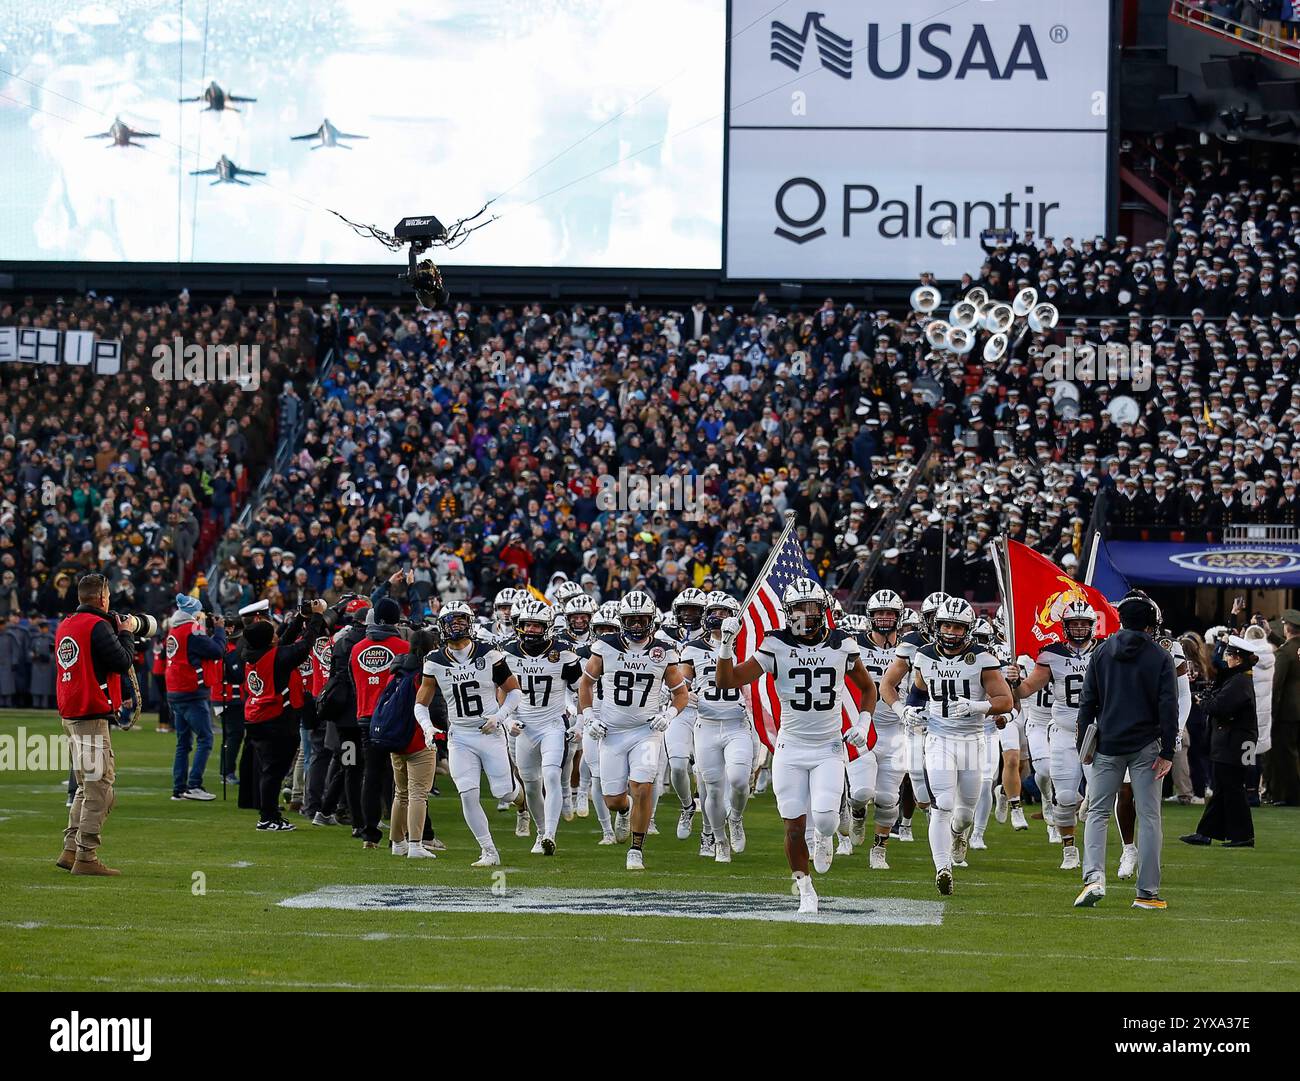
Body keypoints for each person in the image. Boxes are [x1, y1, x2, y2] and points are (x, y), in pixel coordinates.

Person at [716, 577, 877, 913]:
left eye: (812, 607)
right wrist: (726, 646)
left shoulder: (841, 644)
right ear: (787, 612)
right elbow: (728, 681)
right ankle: (805, 888)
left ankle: (825, 836)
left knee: (825, 820)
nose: (805, 614)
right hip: (791, 747)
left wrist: (863, 722)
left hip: (829, 747)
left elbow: (868, 688)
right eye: (799, 608)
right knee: (793, 826)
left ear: (823, 611)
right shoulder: (774, 645)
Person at [1072, 591, 1178, 911]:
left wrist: (1083, 746)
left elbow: (1087, 701)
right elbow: (1168, 707)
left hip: (1107, 743)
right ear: (1150, 623)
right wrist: (1169, 750)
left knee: (1097, 813)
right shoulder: (1161, 656)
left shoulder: (1102, 651)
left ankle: (1093, 877)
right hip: (1146, 744)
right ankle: (1146, 892)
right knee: (1149, 818)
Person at [579, 590, 690, 871]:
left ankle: (636, 848)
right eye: (632, 619)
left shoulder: (663, 651)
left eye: (642, 619)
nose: (638, 625)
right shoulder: (605, 646)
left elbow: (681, 694)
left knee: (642, 787)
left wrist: (669, 714)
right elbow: (585, 684)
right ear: (622, 620)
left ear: (651, 619)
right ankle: (624, 811)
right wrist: (590, 716)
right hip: (613, 732)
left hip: (645, 730)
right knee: (613, 800)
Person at [416, 600, 524, 866]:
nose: (457, 626)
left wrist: (499, 717)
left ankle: (522, 801)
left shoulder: (488, 652)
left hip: (489, 733)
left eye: (462, 620)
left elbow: (514, 691)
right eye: (452, 621)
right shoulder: (434, 660)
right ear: (442, 627)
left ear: (471, 623)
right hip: (461, 736)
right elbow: (421, 703)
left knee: (504, 793)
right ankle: (489, 850)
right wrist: (427, 727)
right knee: (467, 792)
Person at [53, 574, 138, 875]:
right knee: (100, 788)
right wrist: (126, 632)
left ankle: (70, 849)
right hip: (89, 714)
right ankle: (86, 856)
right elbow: (122, 661)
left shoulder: (66, 624)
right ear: (102, 597)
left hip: (71, 713)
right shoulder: (96, 626)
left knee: (85, 786)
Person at [239, 601, 328, 831]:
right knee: (273, 772)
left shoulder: (253, 652)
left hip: (258, 717)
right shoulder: (276, 657)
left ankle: (269, 814)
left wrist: (299, 618)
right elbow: (303, 646)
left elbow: (284, 642)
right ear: (269, 641)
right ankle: (267, 817)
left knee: (270, 770)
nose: (277, 635)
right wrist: (317, 617)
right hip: (274, 720)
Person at [502, 599, 582, 855]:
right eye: (528, 625)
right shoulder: (508, 652)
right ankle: (540, 833)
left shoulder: (564, 651)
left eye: (537, 626)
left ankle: (550, 833)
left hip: (552, 724)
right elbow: (500, 691)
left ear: (547, 627)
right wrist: (506, 718)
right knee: (531, 785)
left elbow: (580, 689)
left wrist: (579, 719)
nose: (532, 630)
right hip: (524, 725)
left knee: (551, 775)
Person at [679, 591, 753, 863]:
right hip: (707, 724)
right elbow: (683, 680)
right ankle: (720, 841)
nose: (718, 617)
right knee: (711, 788)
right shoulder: (694, 648)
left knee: (739, 781)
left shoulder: (747, 647)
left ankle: (735, 818)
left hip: (736, 723)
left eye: (725, 612)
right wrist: (682, 690)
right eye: (714, 611)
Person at [1182, 635, 1258, 848]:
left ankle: (1243, 835)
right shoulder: (1238, 679)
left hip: (1234, 743)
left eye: (1230, 655)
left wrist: (1203, 701)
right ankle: (1206, 833)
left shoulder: (1239, 681)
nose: (1226, 658)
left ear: (1238, 658)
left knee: (1233, 788)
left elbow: (1219, 707)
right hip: (1235, 742)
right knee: (1225, 789)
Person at [164, 595, 226, 801]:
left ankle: (179, 788)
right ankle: (194, 785)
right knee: (205, 738)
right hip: (191, 692)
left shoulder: (174, 629)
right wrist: (219, 630)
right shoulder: (192, 630)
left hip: (175, 691)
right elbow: (217, 651)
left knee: (183, 743)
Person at [1266, 609, 1300, 806]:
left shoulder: (1283, 653)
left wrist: (1271, 712)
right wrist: (1270, 634)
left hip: (1288, 713)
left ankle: (1289, 795)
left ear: (1287, 627)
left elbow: (1276, 685)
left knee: (1285, 756)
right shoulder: (1290, 649)